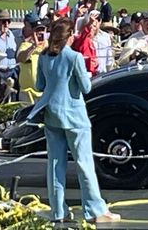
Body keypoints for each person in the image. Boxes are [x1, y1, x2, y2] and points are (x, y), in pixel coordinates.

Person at [32, 20, 120, 225]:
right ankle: (94, 210)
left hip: (51, 115)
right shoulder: (74, 57)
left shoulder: (44, 57)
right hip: (74, 116)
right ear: (70, 36)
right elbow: (86, 87)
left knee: (55, 164)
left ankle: (57, 210)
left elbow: (39, 85)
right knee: (84, 163)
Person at [17, 19, 48, 102]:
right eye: (37, 30)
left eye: (42, 30)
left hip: (43, 93)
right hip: (27, 93)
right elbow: (20, 58)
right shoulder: (25, 45)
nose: (40, 33)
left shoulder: (48, 46)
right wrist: (34, 46)